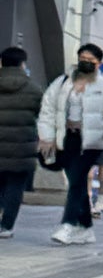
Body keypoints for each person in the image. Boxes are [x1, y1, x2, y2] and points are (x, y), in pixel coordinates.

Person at [36, 52, 103, 245]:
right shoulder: (63, 82)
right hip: (68, 138)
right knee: (76, 181)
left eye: (91, 60)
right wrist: (47, 137)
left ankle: (68, 224)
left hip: (93, 141)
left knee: (77, 179)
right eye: (82, 58)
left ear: (99, 63)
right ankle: (86, 228)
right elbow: (48, 109)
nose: (85, 62)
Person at [0, 46, 41, 237]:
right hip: (22, 147)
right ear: (22, 64)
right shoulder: (33, 88)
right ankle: (6, 226)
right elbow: (42, 115)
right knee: (15, 187)